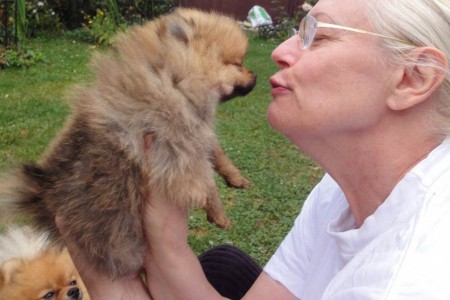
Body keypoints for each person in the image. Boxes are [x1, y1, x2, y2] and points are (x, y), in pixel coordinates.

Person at [60, 0, 450, 298]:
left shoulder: (408, 281)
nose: (280, 50)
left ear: (413, 78)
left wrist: (116, 288)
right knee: (223, 265)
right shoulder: (343, 191)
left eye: (318, 34)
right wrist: (167, 246)